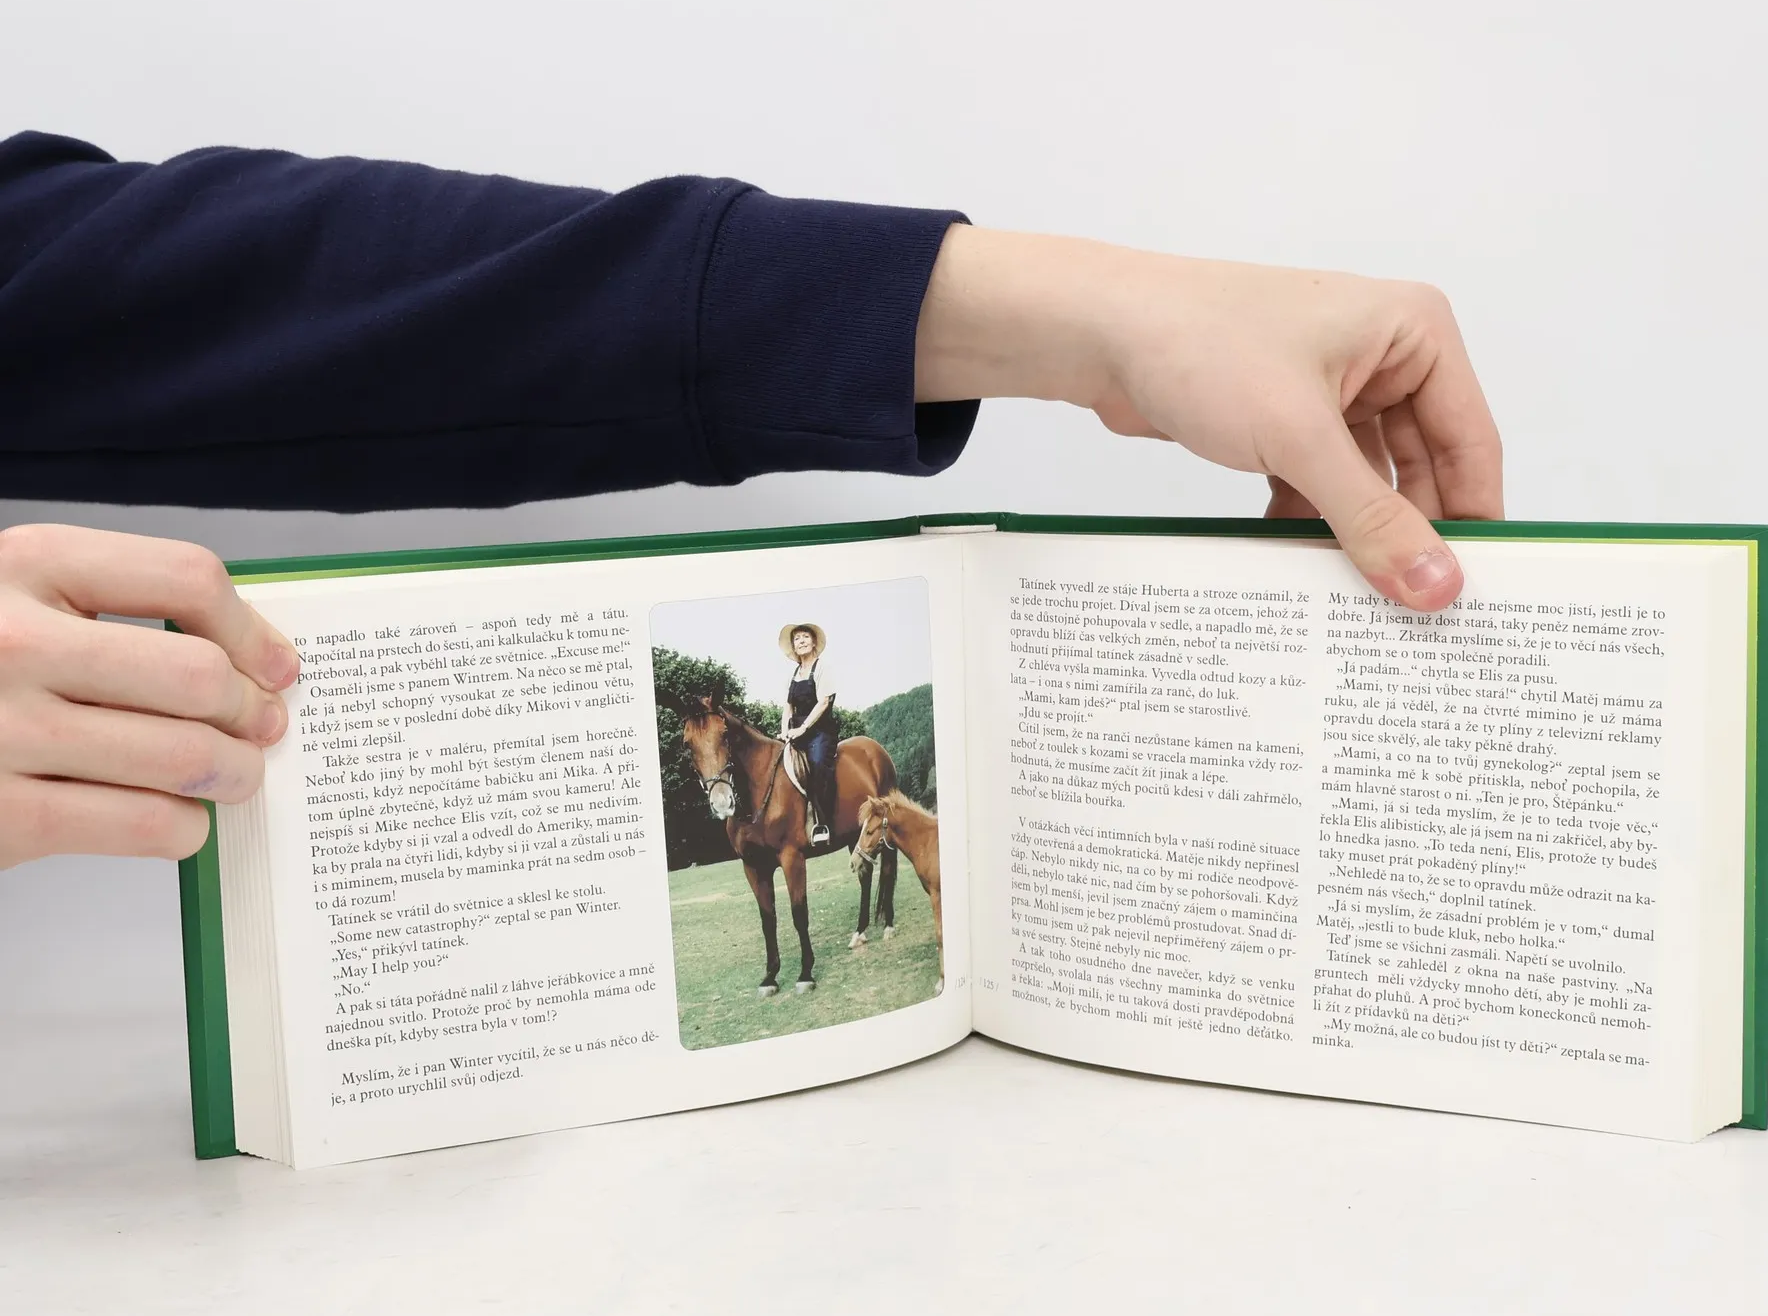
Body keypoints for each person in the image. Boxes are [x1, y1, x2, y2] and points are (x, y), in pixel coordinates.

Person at [0, 130, 1502, 872]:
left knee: (835, 763)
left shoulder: (812, 684)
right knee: (773, 769)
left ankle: (844, 837)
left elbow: (136, 283)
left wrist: (1096, 321)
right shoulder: (770, 694)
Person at [776, 623, 838, 844]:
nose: (801, 641)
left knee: (818, 764)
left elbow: (823, 702)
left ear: (813, 642)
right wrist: (784, 732)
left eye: (805, 637)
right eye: (797, 638)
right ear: (793, 646)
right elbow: (788, 707)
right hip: (795, 732)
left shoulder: (822, 668)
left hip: (820, 732)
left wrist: (803, 728)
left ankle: (823, 822)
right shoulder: (792, 675)